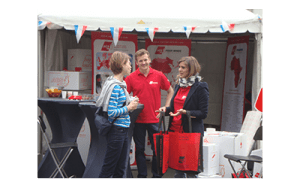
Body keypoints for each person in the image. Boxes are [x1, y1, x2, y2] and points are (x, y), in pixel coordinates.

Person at [156, 56, 209, 179]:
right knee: (177, 169)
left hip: (190, 133)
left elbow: (203, 113)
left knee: (190, 170)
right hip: (175, 131)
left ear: (191, 69)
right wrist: (165, 109)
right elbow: (174, 108)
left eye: (183, 67)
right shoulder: (179, 85)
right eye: (179, 67)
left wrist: (185, 112)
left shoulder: (200, 87)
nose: (179, 70)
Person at [125, 49, 174, 178]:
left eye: (145, 60)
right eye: (140, 61)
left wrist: (166, 107)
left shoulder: (158, 75)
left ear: (150, 60)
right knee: (139, 149)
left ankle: (156, 176)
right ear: (136, 62)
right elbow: (124, 96)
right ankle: (142, 176)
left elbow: (171, 91)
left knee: (157, 150)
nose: (144, 63)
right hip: (138, 119)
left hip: (155, 119)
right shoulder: (131, 78)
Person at [96, 51, 139, 178]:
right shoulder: (116, 86)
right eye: (129, 63)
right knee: (109, 168)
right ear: (121, 65)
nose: (131, 66)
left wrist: (130, 100)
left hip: (122, 130)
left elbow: (118, 104)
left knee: (120, 168)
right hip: (117, 130)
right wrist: (129, 107)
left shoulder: (120, 85)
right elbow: (111, 113)